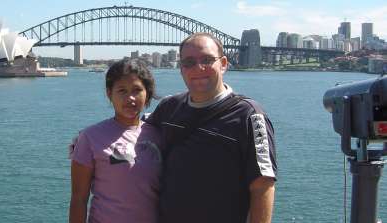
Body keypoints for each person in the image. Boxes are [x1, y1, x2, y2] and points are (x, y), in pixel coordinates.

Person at [145, 32, 277, 223]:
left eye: (207, 60)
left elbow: (263, 186)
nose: (198, 68)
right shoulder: (168, 108)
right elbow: (135, 137)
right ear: (181, 68)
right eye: (189, 62)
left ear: (223, 64)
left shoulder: (250, 116)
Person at [69, 59, 162, 223]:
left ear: (147, 93)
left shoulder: (160, 134)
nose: (130, 98)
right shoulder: (90, 137)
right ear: (109, 93)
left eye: (137, 90)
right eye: (122, 91)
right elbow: (79, 199)